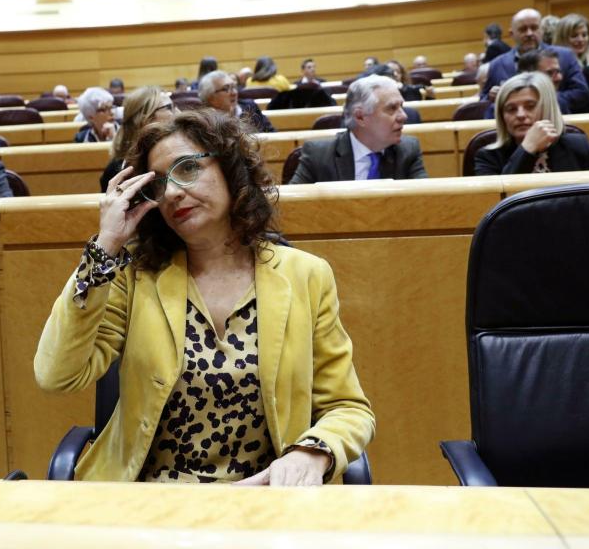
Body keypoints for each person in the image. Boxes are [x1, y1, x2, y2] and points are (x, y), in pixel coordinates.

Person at [34, 108, 375, 484]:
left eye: (187, 168)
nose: (174, 193)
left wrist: (311, 454)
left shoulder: (306, 276)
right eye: (160, 183)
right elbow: (56, 375)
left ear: (230, 169)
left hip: (263, 499)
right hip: (148, 504)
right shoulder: (134, 277)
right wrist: (105, 247)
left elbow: (348, 407)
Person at [289, 75, 427, 184]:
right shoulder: (317, 155)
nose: (404, 116)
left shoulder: (408, 151)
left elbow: (426, 203)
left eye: (401, 106)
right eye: (392, 108)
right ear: (360, 117)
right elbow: (292, 209)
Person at [474, 72, 589, 176]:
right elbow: (495, 205)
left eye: (530, 106)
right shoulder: (488, 157)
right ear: (502, 116)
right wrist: (526, 149)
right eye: (511, 109)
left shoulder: (578, 146)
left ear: (547, 108)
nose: (520, 115)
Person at [481, 8, 589, 116]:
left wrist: (540, 99)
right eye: (523, 29)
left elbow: (581, 93)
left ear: (541, 30)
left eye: (534, 28)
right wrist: (491, 97)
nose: (529, 33)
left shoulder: (565, 56)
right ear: (512, 33)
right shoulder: (497, 64)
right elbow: (483, 101)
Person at [99, 86, 176, 192]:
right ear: (146, 118)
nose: (178, 112)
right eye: (169, 107)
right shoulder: (117, 171)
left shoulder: (180, 152)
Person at [199, 70, 274, 133]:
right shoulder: (204, 122)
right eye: (226, 89)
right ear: (211, 98)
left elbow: (272, 133)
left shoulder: (250, 106)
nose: (234, 93)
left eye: (234, 87)